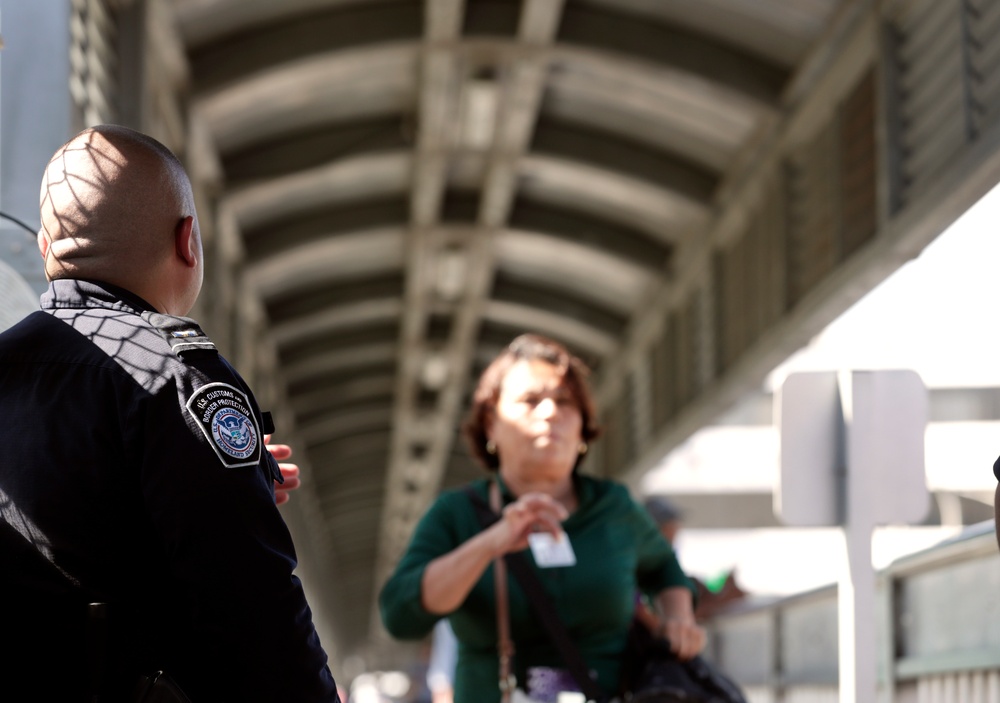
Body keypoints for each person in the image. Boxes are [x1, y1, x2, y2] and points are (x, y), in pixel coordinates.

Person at [0, 124, 340, 701]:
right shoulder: (174, 374)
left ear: (46, 250)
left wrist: (233, 476)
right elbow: (250, 598)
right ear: (188, 240)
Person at [379, 334, 705, 703]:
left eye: (565, 402)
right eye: (530, 401)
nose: (550, 413)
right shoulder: (457, 513)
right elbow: (400, 614)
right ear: (490, 424)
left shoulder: (613, 507)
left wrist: (679, 616)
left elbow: (663, 566)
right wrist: (490, 543)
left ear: (583, 428)